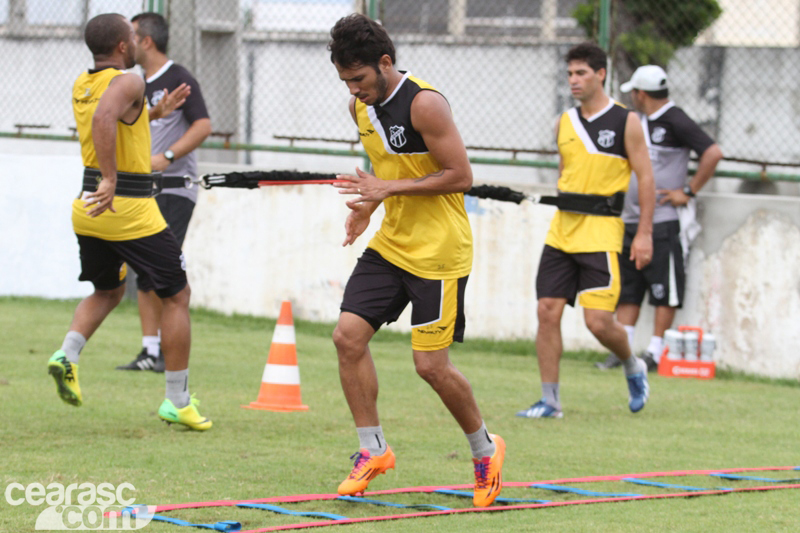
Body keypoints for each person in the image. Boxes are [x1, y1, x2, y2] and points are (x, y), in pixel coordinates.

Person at [327, 14, 504, 507]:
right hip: (392, 245)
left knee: (431, 367)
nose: (354, 90)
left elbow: (460, 175)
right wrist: (367, 205)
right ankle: (373, 450)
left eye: (359, 79)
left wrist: (387, 188)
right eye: (345, 81)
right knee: (347, 338)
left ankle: (485, 448)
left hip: (440, 255)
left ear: (385, 63)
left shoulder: (425, 104)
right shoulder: (358, 109)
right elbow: (389, 172)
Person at [47, 13, 211, 430]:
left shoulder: (84, 83)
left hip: (89, 209)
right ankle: (177, 399)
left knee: (108, 290)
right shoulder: (131, 79)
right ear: (123, 46)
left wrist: (153, 114)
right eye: (133, 36)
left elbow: (113, 121)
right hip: (129, 209)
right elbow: (106, 120)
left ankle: (67, 354)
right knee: (177, 294)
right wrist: (111, 177)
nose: (138, 41)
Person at [516, 42, 655, 419]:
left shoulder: (626, 121)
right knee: (547, 310)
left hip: (601, 233)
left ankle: (632, 365)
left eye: (581, 73)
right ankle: (550, 401)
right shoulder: (564, 121)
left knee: (597, 322)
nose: (573, 80)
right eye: (570, 74)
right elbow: (565, 174)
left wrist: (644, 233)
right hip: (562, 232)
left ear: (601, 74)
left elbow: (645, 178)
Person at [595, 65, 723, 372]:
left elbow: (713, 152)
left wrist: (688, 191)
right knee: (629, 286)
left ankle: (655, 352)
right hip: (629, 219)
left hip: (664, 219)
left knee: (664, 287)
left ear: (640, 93)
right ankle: (623, 352)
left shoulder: (675, 119)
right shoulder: (636, 121)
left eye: (633, 93)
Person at [116, 12, 212, 373]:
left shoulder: (178, 78)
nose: (124, 42)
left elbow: (203, 125)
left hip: (173, 189)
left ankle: (167, 356)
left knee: (163, 272)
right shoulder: (136, 83)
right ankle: (149, 351)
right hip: (143, 191)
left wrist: (167, 156)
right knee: (143, 270)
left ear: (146, 41)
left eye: (130, 35)